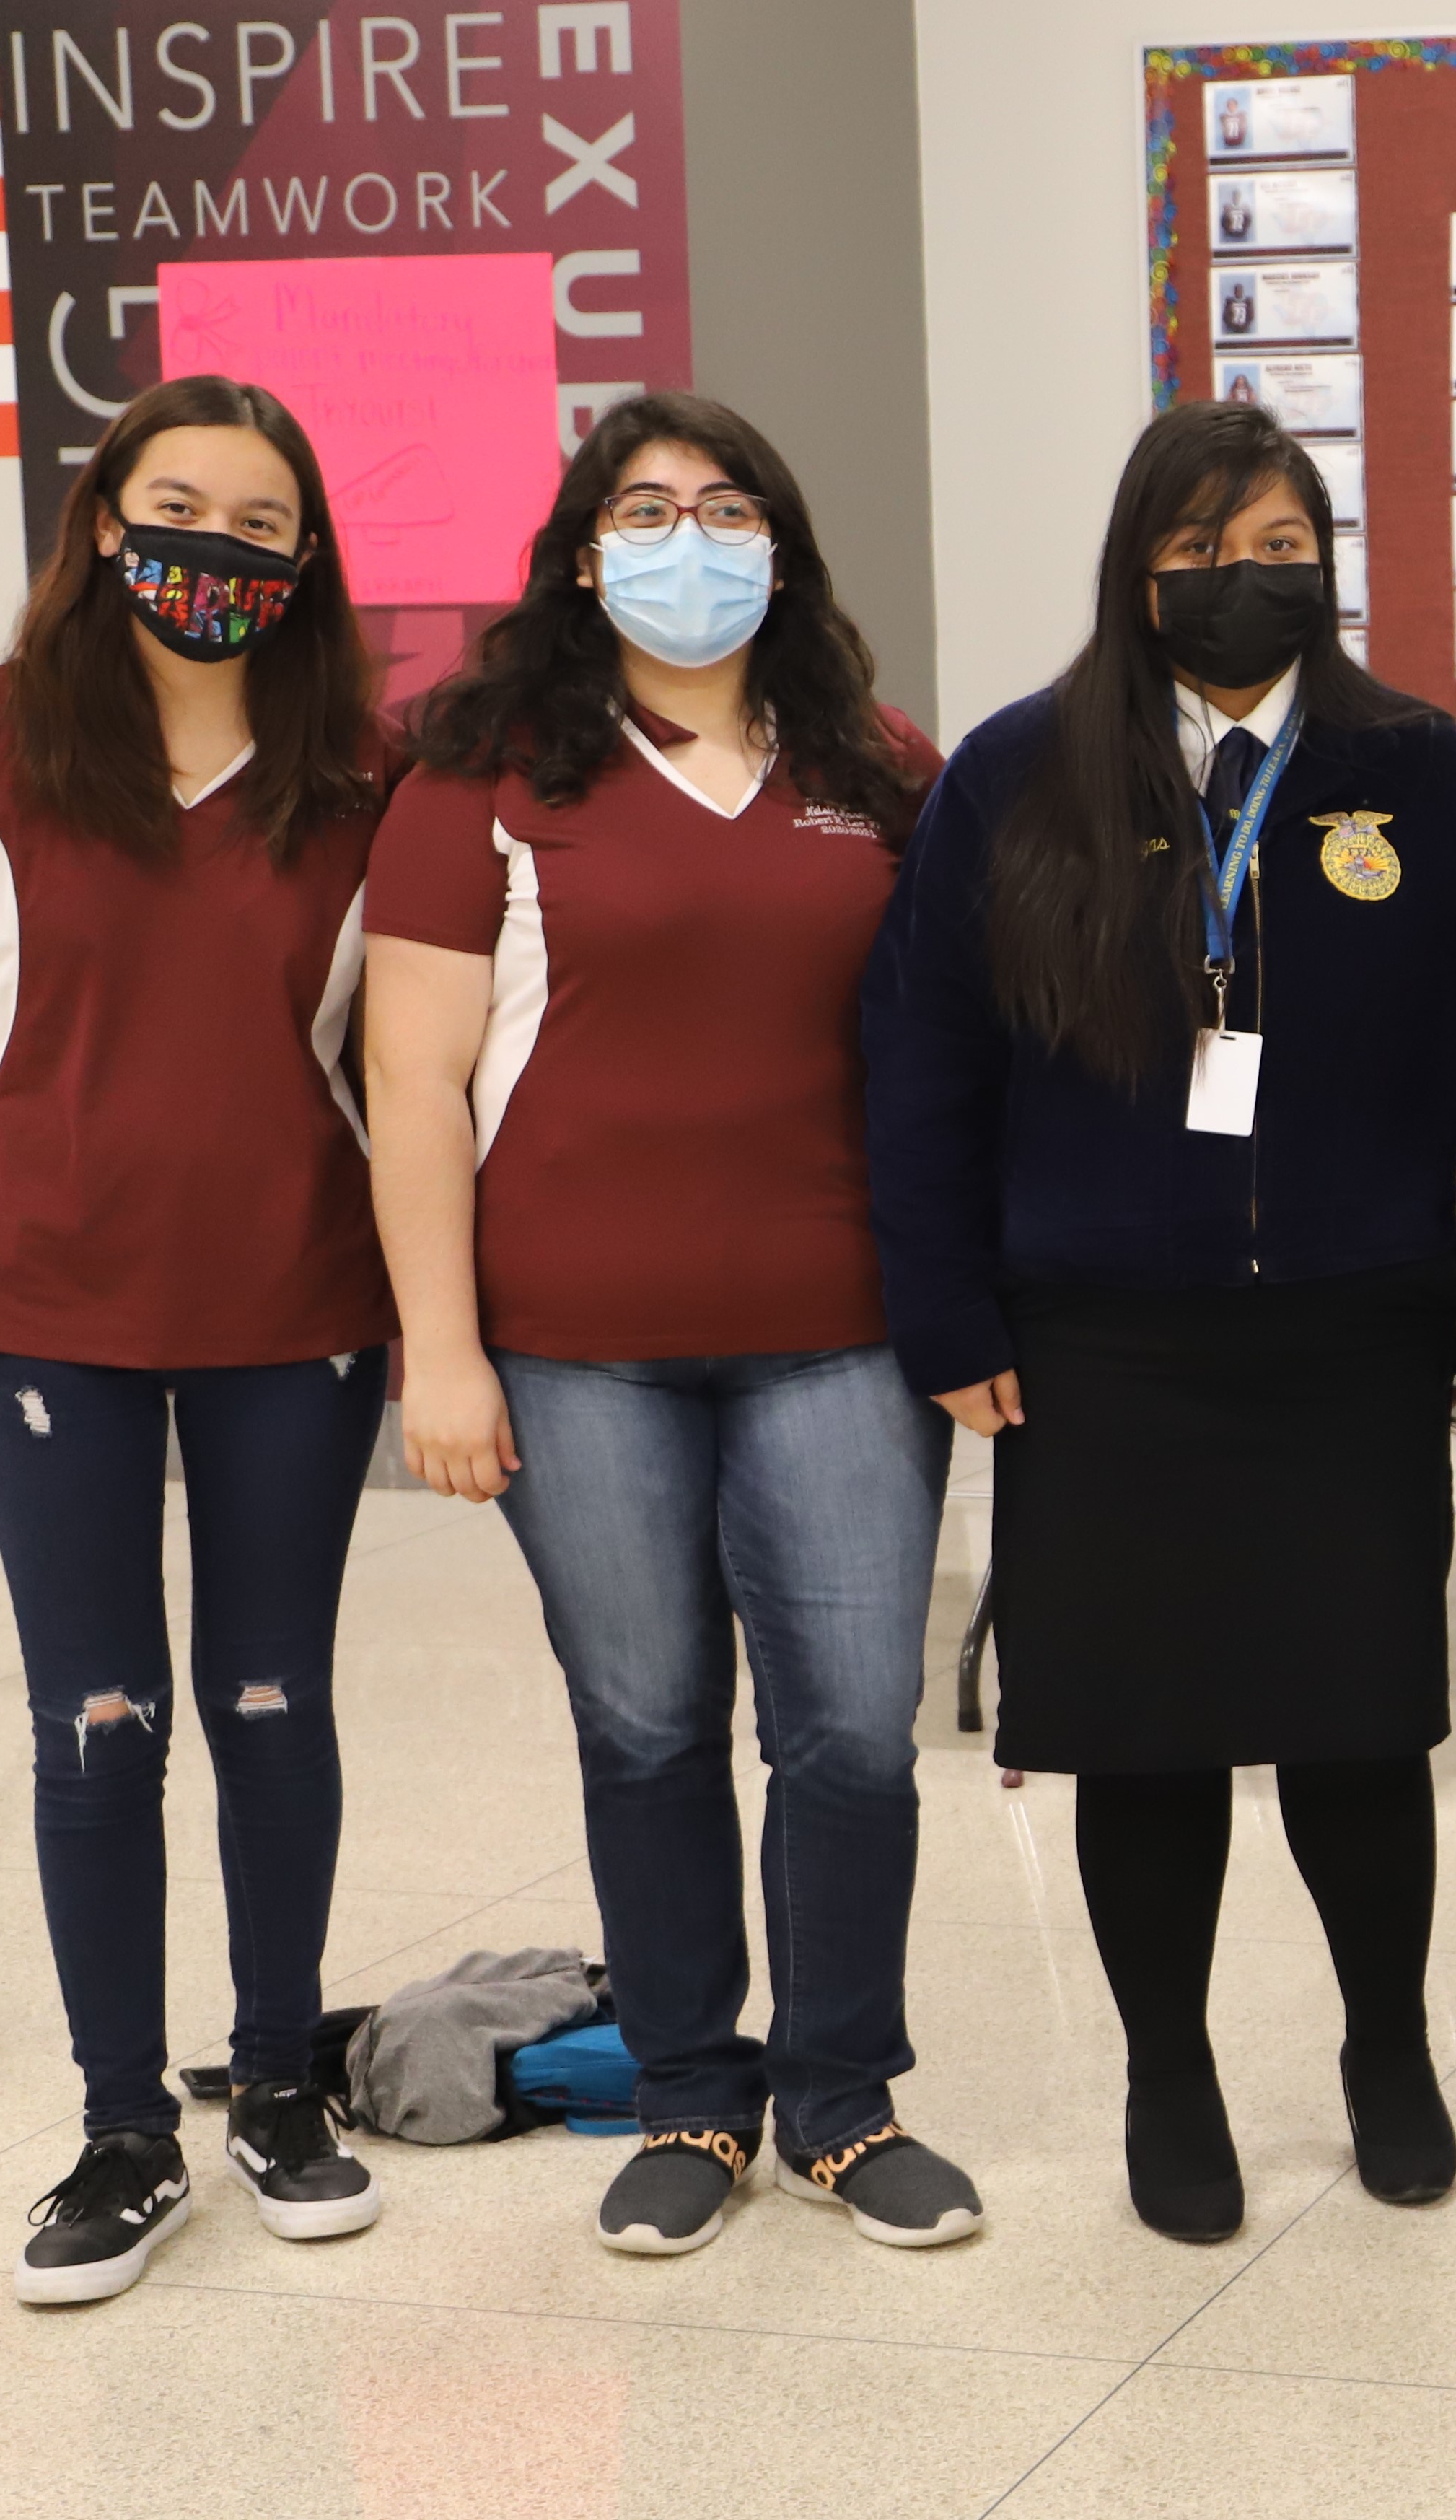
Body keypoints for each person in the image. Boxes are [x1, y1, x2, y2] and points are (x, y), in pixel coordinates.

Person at [862, 400, 1456, 2246]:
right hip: (1099, 1340)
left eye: (1278, 545)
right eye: (1200, 551)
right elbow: (920, 1062)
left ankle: (1389, 2049)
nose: (1240, 582)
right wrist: (944, 1301)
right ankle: (1170, 2071)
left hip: (1353, 1326)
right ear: (1137, 570)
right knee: (1143, 1736)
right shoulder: (1015, 777)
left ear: (1326, 561)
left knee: (1357, 1728)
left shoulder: (1410, 767)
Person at [364, 394, 973, 2258]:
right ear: (578, 550)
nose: (687, 539)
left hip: (846, 1336)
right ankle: (695, 2098)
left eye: (724, 508)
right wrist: (441, 1351)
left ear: (780, 548)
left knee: (855, 1734)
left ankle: (843, 2100)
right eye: (646, 508)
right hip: (576, 1344)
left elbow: (952, 1058)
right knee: (644, 1727)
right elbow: (415, 1077)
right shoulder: (484, 769)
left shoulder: (878, 764)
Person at [0, 377, 395, 2304]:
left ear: (306, 561)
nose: (212, 552)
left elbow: (394, 1051)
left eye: (259, 526)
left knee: (270, 1702)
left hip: (299, 1312)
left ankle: (276, 2086)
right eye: (174, 509)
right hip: (45, 1324)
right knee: (98, 1719)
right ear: (101, 521)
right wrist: (44, 1213)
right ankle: (119, 2130)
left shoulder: (365, 774)